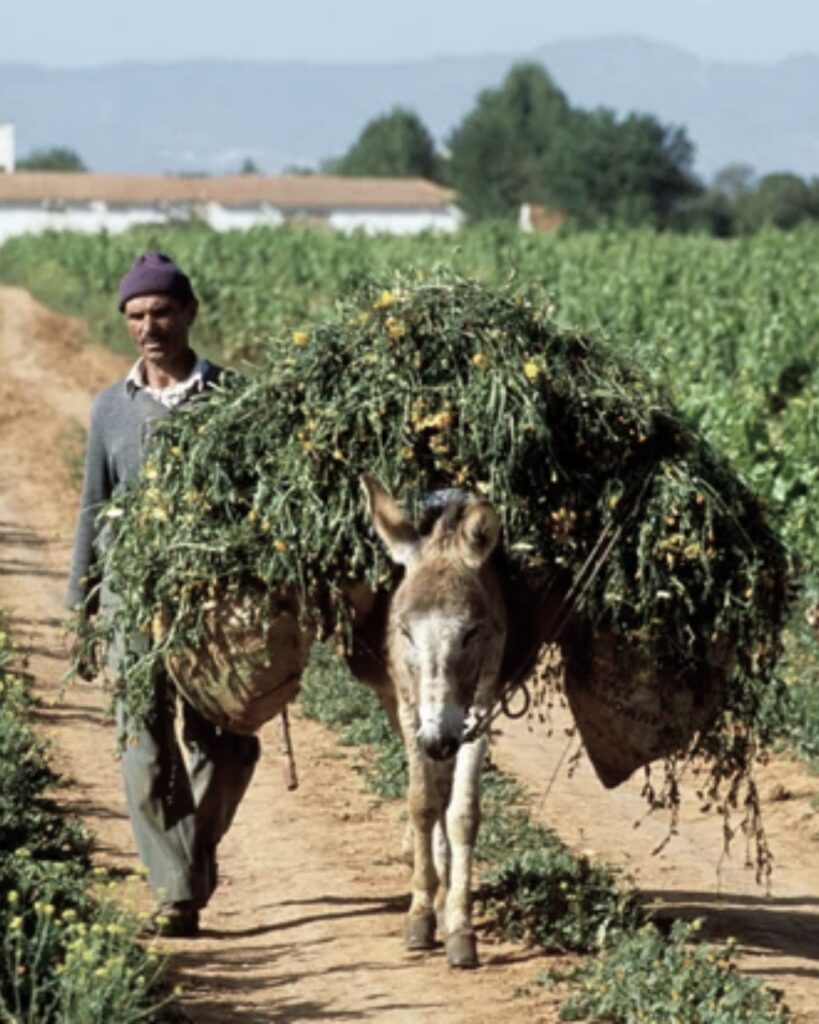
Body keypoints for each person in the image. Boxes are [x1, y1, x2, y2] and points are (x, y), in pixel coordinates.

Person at [65, 251, 260, 938]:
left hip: (214, 603)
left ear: (189, 313)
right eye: (136, 316)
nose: (149, 327)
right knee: (143, 750)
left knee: (229, 747)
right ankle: (175, 896)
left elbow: (259, 503)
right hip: (130, 598)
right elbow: (94, 508)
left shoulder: (233, 400)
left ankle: (188, 859)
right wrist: (81, 609)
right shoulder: (111, 408)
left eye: (161, 312)